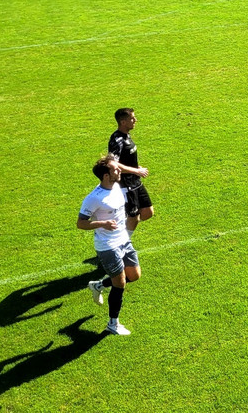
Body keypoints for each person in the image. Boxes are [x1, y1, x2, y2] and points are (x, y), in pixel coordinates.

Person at [78, 155, 141, 336]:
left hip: (123, 240)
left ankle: (99, 285)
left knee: (134, 275)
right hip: (107, 246)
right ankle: (113, 324)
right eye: (115, 169)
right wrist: (102, 224)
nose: (119, 170)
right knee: (120, 282)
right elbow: (81, 223)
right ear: (106, 175)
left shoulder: (117, 186)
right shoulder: (93, 198)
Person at [108, 108, 152, 235]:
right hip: (126, 184)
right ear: (123, 122)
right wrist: (135, 171)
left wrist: (136, 168)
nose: (135, 120)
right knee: (134, 216)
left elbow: (125, 158)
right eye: (132, 118)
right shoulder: (117, 140)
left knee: (147, 212)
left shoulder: (127, 135)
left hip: (135, 181)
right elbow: (112, 163)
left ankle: (122, 223)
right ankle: (122, 242)